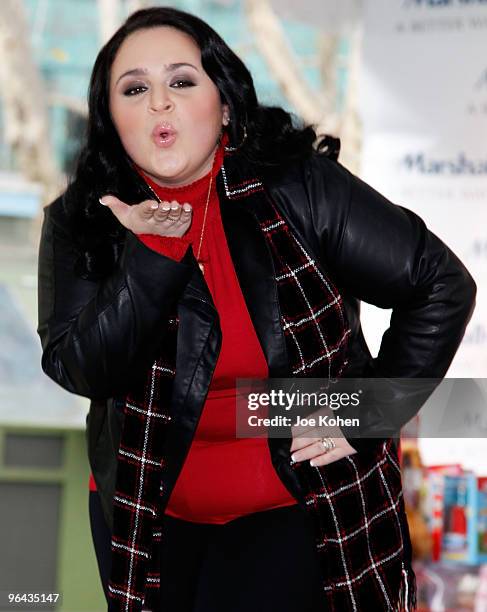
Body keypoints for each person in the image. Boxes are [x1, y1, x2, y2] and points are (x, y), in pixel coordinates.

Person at [36, 7, 476, 612]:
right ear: (111, 119)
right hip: (147, 523)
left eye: (182, 81)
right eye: (134, 88)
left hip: (304, 511)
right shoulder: (81, 220)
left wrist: (367, 411)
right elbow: (82, 368)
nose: (159, 104)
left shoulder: (297, 185)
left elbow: (440, 284)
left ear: (224, 103)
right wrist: (153, 252)